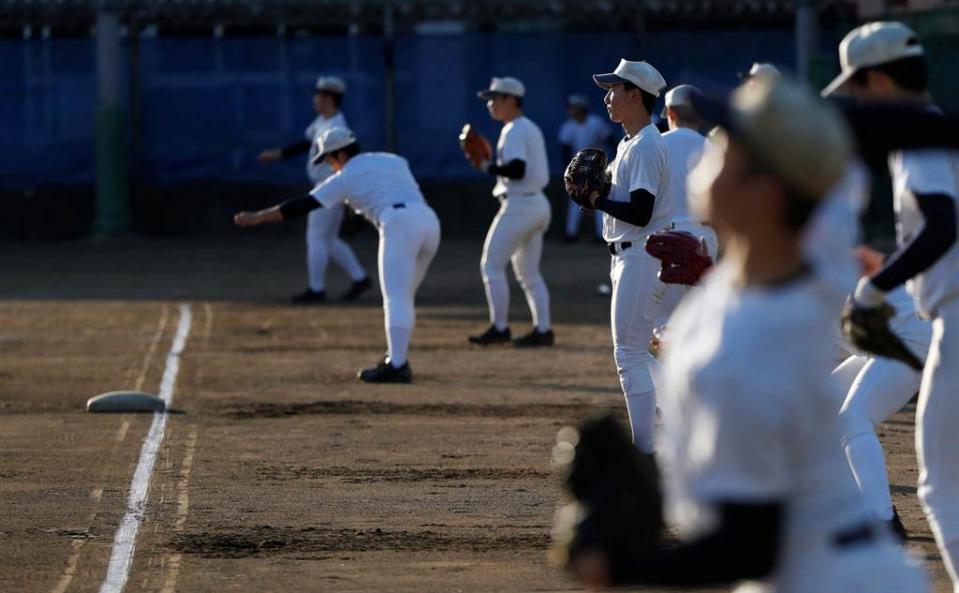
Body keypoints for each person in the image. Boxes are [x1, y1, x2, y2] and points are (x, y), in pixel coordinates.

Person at [570, 75, 927, 593]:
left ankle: (885, 518)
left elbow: (748, 543)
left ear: (766, 190)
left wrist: (624, 569)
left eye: (731, 149)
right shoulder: (763, 291)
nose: (710, 153)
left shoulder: (769, 321)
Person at [824, 21, 959, 590]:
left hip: (947, 321)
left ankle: (882, 526)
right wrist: (890, 268)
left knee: (940, 486)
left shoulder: (915, 135)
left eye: (857, 88)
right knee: (832, 405)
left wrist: (877, 287)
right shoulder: (936, 128)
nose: (855, 102)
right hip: (936, 315)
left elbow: (942, 222)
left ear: (878, 80)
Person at [235, 127, 441, 383]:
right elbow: (385, 188)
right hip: (429, 223)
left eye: (330, 159)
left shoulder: (344, 177)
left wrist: (258, 217)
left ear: (341, 154)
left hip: (399, 224)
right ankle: (396, 357)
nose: (330, 165)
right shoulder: (392, 159)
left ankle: (398, 365)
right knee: (404, 296)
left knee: (396, 298)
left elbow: (302, 205)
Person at [589, 59, 672, 453]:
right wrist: (601, 195)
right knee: (636, 351)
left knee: (628, 354)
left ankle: (645, 450)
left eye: (614, 89)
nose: (607, 97)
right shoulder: (629, 143)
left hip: (640, 254)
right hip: (631, 255)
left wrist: (597, 198)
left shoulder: (646, 144)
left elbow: (641, 211)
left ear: (635, 95)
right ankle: (685, 411)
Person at [258, 76, 370, 304]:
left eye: (318, 95)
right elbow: (307, 143)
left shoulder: (338, 126)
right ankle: (360, 278)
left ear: (328, 98)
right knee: (327, 239)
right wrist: (278, 154)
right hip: (329, 186)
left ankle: (316, 289)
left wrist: (348, 197)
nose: (315, 99)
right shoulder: (322, 121)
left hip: (332, 186)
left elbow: (348, 160)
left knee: (316, 237)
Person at [466, 77, 555, 347]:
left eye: (495, 98)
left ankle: (500, 326)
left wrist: (487, 167)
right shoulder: (526, 127)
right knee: (529, 273)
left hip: (521, 205)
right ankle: (543, 330)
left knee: (491, 265)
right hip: (537, 203)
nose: (490, 104)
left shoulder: (515, 129)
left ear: (511, 100)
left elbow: (517, 170)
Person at [656, 84, 718, 326]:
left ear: (670, 113)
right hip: (705, 236)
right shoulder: (713, 148)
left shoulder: (656, 144)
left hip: (665, 237)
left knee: (664, 325)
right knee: (701, 323)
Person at [558, 94, 612, 243]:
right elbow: (564, 152)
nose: (572, 111)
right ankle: (571, 234)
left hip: (598, 167)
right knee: (576, 201)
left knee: (599, 200)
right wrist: (568, 175)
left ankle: (601, 235)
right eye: (570, 108)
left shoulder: (596, 122)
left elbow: (611, 141)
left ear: (582, 108)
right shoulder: (568, 127)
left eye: (574, 108)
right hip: (578, 169)